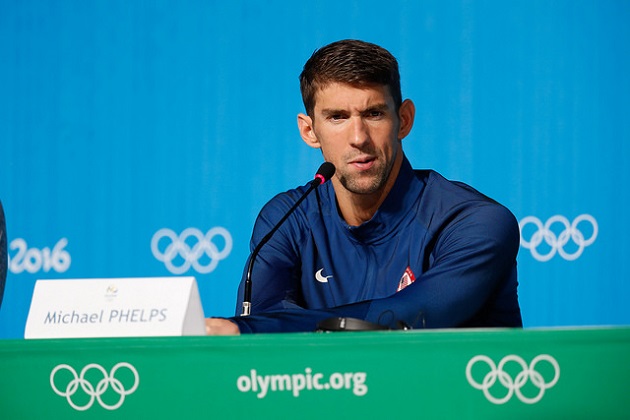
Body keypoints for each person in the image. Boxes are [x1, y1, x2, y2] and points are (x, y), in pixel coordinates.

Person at [205, 39, 522, 335]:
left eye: (373, 114)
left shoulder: (474, 221)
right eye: (337, 117)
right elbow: (262, 323)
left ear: (404, 119)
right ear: (309, 131)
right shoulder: (286, 220)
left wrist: (254, 328)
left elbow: (412, 315)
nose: (358, 137)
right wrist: (258, 327)